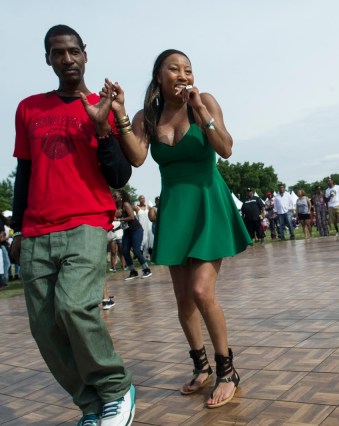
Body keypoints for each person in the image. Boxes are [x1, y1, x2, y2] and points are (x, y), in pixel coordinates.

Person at [107, 48, 252, 407]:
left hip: (207, 202)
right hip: (174, 208)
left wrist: (201, 112)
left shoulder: (204, 102)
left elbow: (226, 149)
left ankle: (227, 371)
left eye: (188, 69)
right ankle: (201, 366)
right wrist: (121, 113)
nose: (183, 75)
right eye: (175, 69)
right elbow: (137, 157)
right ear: (159, 77)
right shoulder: (148, 116)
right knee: (183, 298)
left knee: (202, 292)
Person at [10, 25, 135, 426]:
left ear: (85, 54)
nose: (66, 59)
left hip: (87, 220)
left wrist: (102, 128)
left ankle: (116, 389)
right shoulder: (29, 108)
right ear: (48, 59)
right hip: (37, 229)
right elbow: (25, 172)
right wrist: (17, 230)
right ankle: (91, 405)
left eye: (73, 51)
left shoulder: (103, 106)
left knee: (74, 306)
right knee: (45, 326)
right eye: (57, 53)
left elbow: (119, 176)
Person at [114, 190, 152, 280]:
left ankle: (147, 269)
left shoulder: (126, 204)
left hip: (136, 230)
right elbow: (125, 223)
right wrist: (115, 229)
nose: (113, 197)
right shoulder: (117, 206)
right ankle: (133, 272)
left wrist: (118, 220)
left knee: (136, 250)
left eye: (115, 196)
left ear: (121, 197)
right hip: (127, 232)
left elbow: (132, 217)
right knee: (125, 251)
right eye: (112, 196)